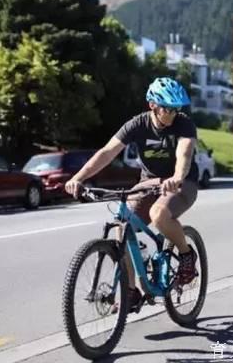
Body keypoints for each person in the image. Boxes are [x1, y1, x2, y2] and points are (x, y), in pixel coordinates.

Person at [64, 77, 199, 311]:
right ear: (153, 105)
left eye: (177, 109)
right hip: (149, 182)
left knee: (159, 214)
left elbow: (184, 153)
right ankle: (131, 291)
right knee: (122, 227)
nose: (172, 114)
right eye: (167, 109)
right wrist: (79, 178)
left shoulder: (184, 124)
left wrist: (177, 177)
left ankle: (187, 255)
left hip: (182, 182)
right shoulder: (137, 125)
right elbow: (107, 152)